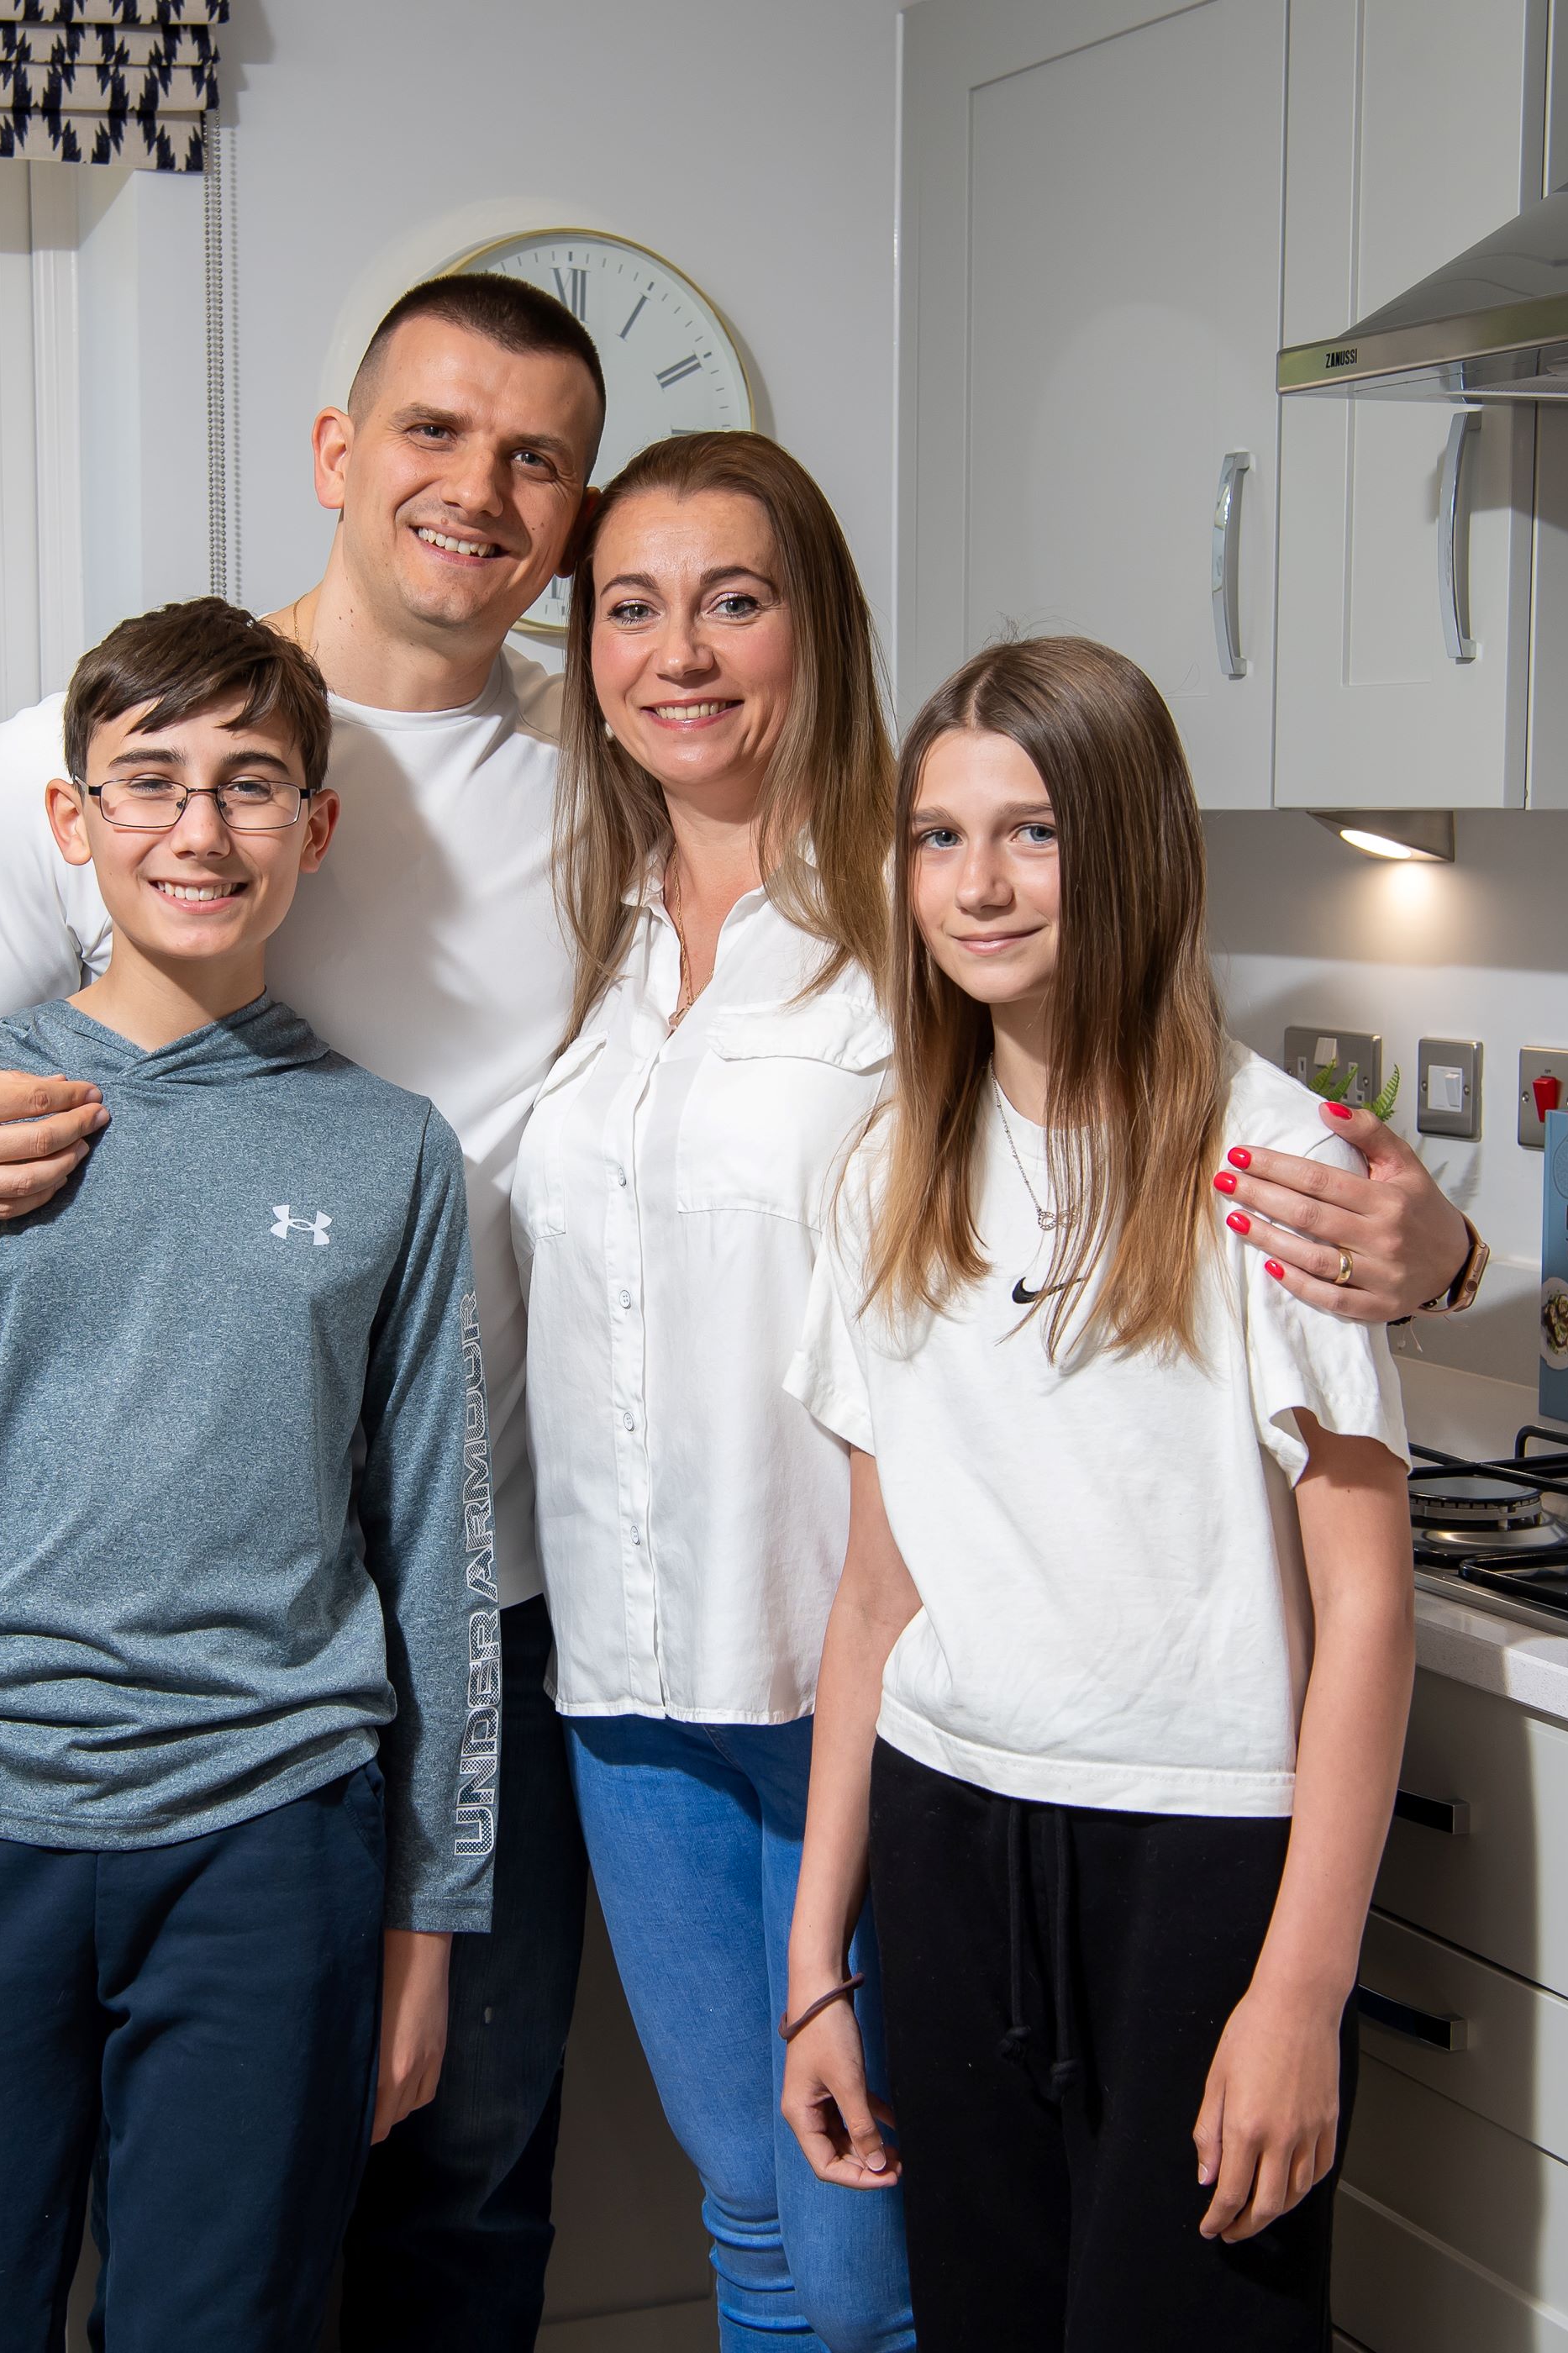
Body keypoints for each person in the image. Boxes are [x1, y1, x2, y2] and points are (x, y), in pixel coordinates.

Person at [0, 269, 1474, 2346]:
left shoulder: (830, 876)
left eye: (542, 469)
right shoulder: (172, 764)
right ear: (339, 451)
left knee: (631, 2211)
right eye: (432, 434)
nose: (482, 496)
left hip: (766, 1648)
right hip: (511, 1652)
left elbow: (1145, 1070)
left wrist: (1457, 1252)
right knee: (447, 2205)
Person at [0, 600, 499, 2352]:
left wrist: (427, 1917)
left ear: (314, 830)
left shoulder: (390, 1153)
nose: (200, 827)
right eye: (151, 780)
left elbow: (434, 1558)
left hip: (273, 1841)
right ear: (70, 817)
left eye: (251, 785)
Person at [776, 638, 1418, 2351]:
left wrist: (1301, 1988)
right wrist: (811, 1972)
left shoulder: (1278, 1168)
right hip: (947, 1832)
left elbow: (1366, 1608)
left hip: (1201, 1867)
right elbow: (874, 1598)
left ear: (1129, 846)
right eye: (936, 835)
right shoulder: (882, 1172)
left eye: (1032, 831)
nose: (975, 883)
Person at [513, 430, 913, 2351]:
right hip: (628, 1685)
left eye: (733, 599)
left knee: (858, 2258)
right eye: (632, 606)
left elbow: (1171, 1124)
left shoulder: (920, 923)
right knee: (746, 2215)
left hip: (865, 1690)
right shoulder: (574, 947)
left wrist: (1413, 1239)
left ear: (815, 624)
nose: (681, 651)